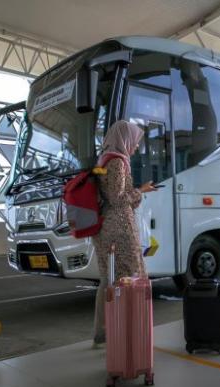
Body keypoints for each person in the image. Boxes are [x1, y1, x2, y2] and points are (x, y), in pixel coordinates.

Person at [91, 120, 157, 348]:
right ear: (125, 138)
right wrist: (141, 190)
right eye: (135, 141)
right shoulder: (118, 162)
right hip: (118, 228)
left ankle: (102, 332)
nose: (136, 146)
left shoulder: (102, 159)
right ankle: (125, 329)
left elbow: (107, 193)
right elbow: (118, 198)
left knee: (107, 279)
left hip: (103, 228)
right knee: (128, 277)